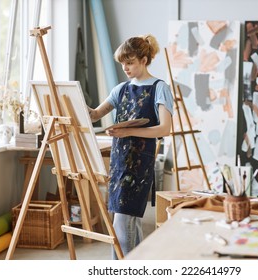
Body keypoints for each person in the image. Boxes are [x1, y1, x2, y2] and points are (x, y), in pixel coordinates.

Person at [88, 34, 173, 259]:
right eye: (123, 63)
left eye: (130, 62)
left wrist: (127, 131)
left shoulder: (159, 88)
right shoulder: (121, 89)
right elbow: (96, 114)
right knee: (127, 224)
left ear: (144, 60)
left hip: (139, 164)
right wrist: (73, 101)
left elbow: (165, 129)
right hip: (118, 163)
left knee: (123, 224)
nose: (125, 67)